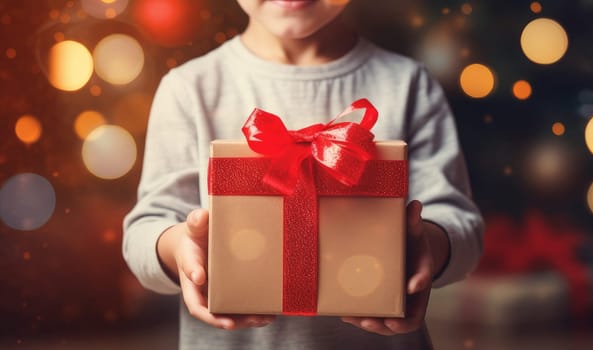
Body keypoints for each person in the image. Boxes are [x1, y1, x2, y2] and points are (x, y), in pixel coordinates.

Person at [123, 0, 484, 349]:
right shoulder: (189, 89)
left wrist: (429, 247)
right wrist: (178, 248)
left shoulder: (409, 85)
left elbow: (459, 222)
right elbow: (145, 230)